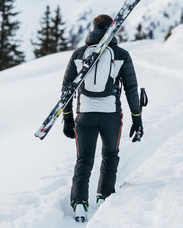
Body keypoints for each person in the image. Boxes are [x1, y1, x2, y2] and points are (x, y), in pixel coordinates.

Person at [61, 14, 144, 220]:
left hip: (84, 115)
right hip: (111, 116)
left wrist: (68, 118)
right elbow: (131, 89)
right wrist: (137, 118)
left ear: (93, 28)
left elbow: (66, 90)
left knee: (84, 159)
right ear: (112, 29)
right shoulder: (121, 54)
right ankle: (103, 197)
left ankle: (79, 204)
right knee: (110, 155)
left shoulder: (78, 54)